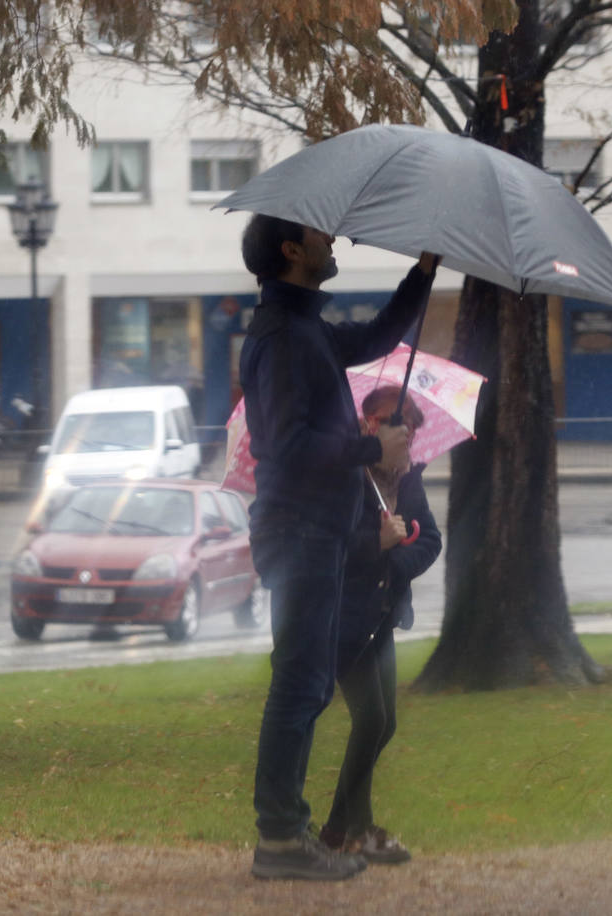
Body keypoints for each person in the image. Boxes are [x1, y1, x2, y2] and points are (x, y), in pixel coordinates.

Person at [238, 213, 440, 881]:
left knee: (309, 682)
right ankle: (282, 839)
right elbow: (289, 449)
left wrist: (423, 273)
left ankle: (290, 834)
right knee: (299, 684)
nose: (334, 243)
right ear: (292, 251)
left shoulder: (306, 330)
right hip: (298, 530)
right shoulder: (286, 339)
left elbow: (378, 336)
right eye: (320, 236)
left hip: (313, 532)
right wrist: (371, 448)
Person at [320, 385, 441, 865]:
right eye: (398, 422)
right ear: (370, 424)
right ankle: (359, 829)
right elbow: (329, 550)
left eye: (412, 424)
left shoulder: (407, 478)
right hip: (343, 616)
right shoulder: (344, 475)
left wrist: (395, 563)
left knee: (384, 723)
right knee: (370, 718)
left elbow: (429, 539)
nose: (407, 432)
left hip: (382, 613)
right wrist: (377, 545)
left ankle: (334, 828)